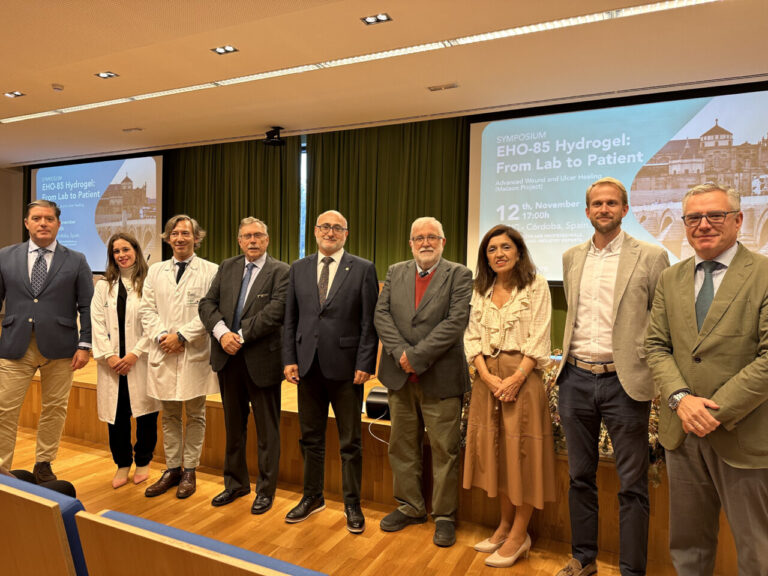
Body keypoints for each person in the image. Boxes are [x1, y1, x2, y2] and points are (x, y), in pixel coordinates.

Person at [645, 183, 768, 576]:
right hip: (683, 433)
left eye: (715, 215)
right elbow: (656, 346)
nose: (703, 225)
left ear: (737, 220)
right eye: (693, 217)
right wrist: (682, 399)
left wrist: (712, 409)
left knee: (757, 549)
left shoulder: (764, 274)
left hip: (743, 432)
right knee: (689, 546)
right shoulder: (670, 278)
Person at [556, 177, 669, 576]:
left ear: (625, 209)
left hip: (625, 383)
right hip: (575, 379)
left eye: (612, 203)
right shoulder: (571, 257)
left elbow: (662, 320)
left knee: (632, 485)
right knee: (580, 477)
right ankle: (583, 559)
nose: (604, 209)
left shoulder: (652, 256)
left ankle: (631, 571)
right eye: (597, 204)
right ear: (587, 211)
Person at [374, 216, 472, 548]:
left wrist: (416, 356)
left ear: (443, 242)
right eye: (419, 238)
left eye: (432, 237)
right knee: (401, 446)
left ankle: (444, 516)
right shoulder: (395, 271)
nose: (425, 242)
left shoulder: (459, 274)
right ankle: (411, 506)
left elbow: (456, 321)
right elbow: (381, 315)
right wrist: (401, 352)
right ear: (411, 244)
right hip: (399, 379)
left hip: (440, 378)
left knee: (445, 450)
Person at [463, 224, 556, 567]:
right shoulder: (480, 289)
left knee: (523, 454)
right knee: (497, 453)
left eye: (505, 247)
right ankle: (503, 526)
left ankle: (520, 534)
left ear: (518, 251)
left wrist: (516, 377)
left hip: (523, 377)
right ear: (484, 257)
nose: (498, 254)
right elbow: (471, 337)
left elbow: (541, 336)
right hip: (487, 379)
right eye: (491, 249)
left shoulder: (536, 285)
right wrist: (486, 376)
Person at [283, 210, 378, 534]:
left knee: (350, 441)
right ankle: (312, 497)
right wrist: (289, 358)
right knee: (310, 438)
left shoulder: (363, 269)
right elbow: (290, 319)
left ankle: (352, 504)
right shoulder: (298, 268)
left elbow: (369, 323)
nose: (331, 232)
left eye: (338, 228)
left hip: (347, 369)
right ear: (315, 231)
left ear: (346, 234)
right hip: (307, 366)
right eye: (325, 227)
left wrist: (366, 363)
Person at [199, 217, 288, 515]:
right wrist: (222, 333)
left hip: (261, 361)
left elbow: (277, 312)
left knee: (267, 431)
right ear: (239, 240)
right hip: (228, 359)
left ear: (267, 239)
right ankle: (235, 483)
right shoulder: (227, 266)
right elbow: (207, 304)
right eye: (247, 236)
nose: (252, 241)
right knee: (233, 427)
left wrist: (240, 335)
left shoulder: (281, 271)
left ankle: (266, 490)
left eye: (258, 235)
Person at [0, 200, 93, 483]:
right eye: (37, 218)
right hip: (16, 344)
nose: (43, 223)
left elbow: (87, 305)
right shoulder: (5, 256)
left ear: (58, 224)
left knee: (55, 408)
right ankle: (1, 467)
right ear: (27, 223)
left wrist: (85, 344)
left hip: (62, 348)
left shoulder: (76, 259)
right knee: (4, 407)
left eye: (49, 219)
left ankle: (44, 463)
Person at [140, 215, 218, 499]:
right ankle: (172, 468)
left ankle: (190, 471)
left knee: (196, 414)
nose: (180, 238)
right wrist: (163, 336)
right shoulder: (155, 271)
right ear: (168, 238)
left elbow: (210, 311)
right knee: (170, 415)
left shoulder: (211, 271)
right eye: (175, 233)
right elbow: (146, 310)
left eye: (186, 233)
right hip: (164, 350)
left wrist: (182, 336)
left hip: (193, 351)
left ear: (196, 238)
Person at [91, 233, 160, 489]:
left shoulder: (149, 283)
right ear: (111, 257)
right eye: (116, 251)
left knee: (146, 414)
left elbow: (155, 321)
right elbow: (96, 323)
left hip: (140, 361)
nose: (122, 254)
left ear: (136, 251)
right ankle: (122, 463)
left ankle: (143, 460)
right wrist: (109, 356)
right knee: (116, 415)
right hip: (112, 363)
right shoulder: (103, 286)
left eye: (126, 249)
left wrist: (135, 354)